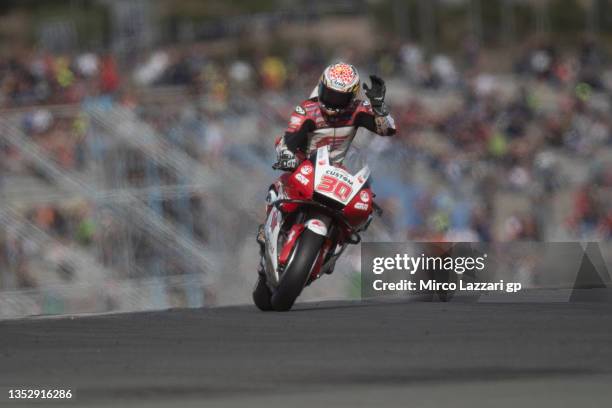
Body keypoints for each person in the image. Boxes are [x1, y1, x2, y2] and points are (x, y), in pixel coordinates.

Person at [257, 62, 396, 248]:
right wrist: (287, 155)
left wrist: (379, 108)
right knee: (277, 189)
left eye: (340, 98)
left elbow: (388, 129)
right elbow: (291, 136)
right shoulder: (307, 109)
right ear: (321, 87)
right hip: (305, 165)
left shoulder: (358, 110)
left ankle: (337, 240)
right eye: (329, 94)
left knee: (364, 209)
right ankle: (266, 228)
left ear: (352, 96)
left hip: (336, 171)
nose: (332, 102)